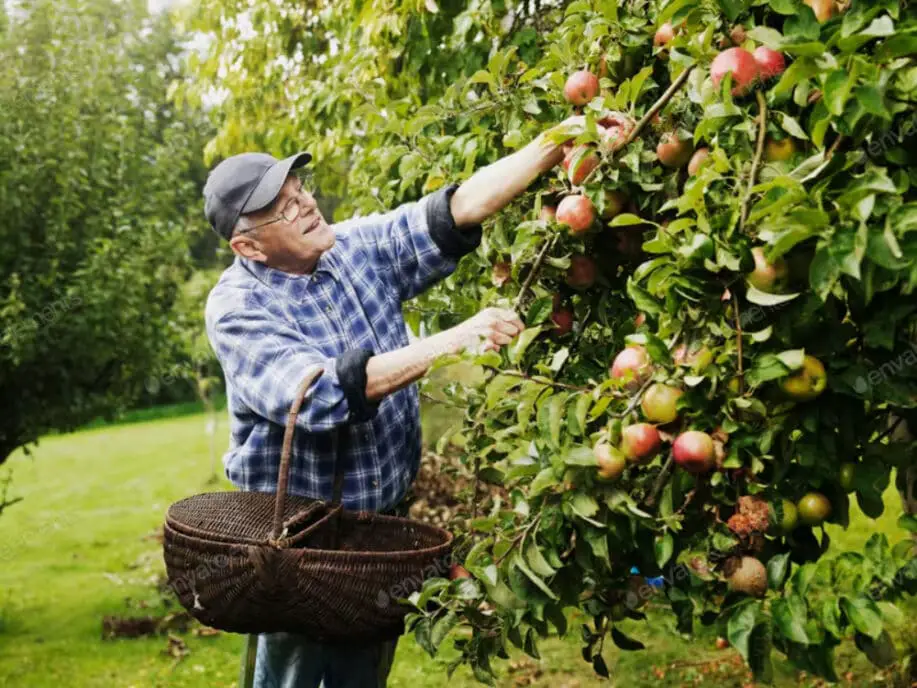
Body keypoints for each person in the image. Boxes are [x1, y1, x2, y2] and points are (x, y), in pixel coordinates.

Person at [202, 116, 582, 688]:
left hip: (380, 531)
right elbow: (317, 394)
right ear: (247, 245)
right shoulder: (237, 309)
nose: (305, 204)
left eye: (299, 189)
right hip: (296, 544)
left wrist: (557, 142)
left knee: (363, 673)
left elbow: (450, 212)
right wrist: (452, 340)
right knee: (292, 677)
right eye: (282, 207)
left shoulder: (351, 249)